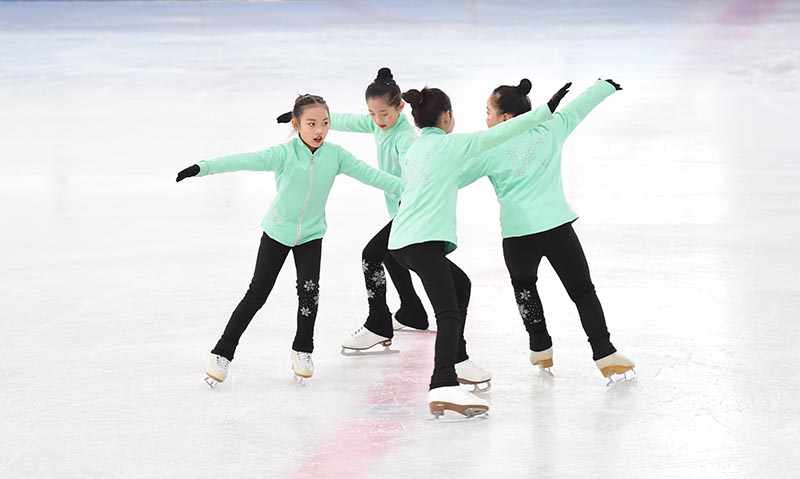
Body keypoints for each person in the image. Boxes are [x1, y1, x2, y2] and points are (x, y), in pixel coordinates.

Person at [176, 94, 403, 388]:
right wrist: (202, 167)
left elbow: (375, 176)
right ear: (296, 125)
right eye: (311, 124)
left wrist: (412, 189)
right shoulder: (283, 154)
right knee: (257, 294)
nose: (319, 130)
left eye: (325, 123)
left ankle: (303, 350)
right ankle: (222, 352)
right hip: (277, 233)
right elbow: (243, 160)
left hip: (311, 235)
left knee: (309, 295)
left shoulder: (336, 155)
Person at [386, 83, 565, 417]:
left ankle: (458, 358)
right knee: (448, 312)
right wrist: (545, 111)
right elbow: (503, 133)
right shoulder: (454, 145)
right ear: (448, 117)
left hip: (400, 243)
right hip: (422, 244)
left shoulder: (412, 149)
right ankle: (443, 383)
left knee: (460, 284)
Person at [458, 78, 636, 386]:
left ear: (505, 118)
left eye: (488, 112)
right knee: (583, 292)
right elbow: (578, 108)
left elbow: (455, 178)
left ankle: (540, 346)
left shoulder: (488, 147)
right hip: (557, 229)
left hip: (517, 236)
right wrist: (604, 86)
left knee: (524, 288)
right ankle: (604, 352)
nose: (485, 118)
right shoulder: (550, 129)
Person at [279, 68, 429, 356]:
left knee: (371, 256)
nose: (378, 121)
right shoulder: (377, 124)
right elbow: (347, 121)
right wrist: (305, 120)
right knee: (393, 255)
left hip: (409, 208)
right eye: (372, 114)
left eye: (384, 114)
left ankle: (379, 324)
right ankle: (412, 310)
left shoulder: (404, 138)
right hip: (401, 208)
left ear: (400, 107)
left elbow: (416, 168)